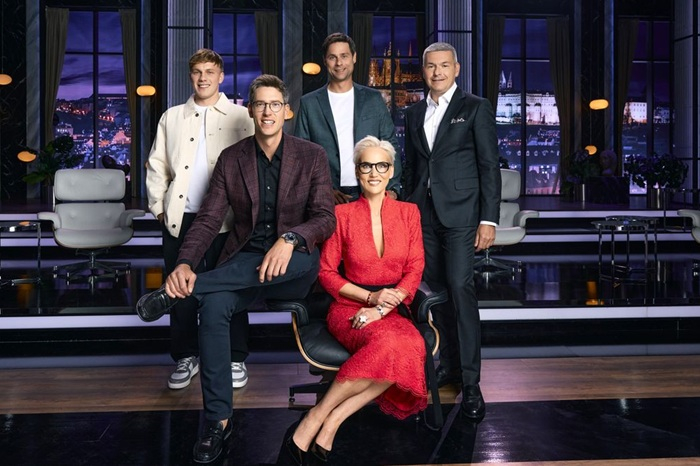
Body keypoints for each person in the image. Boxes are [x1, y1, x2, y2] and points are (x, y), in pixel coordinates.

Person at [137, 74, 336, 464]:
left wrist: (290, 239)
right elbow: (209, 219)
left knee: (217, 287)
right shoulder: (233, 158)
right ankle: (218, 422)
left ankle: (182, 291)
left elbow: (325, 218)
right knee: (213, 308)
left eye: (275, 104)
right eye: (260, 104)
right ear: (250, 110)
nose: (267, 112)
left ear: (287, 111)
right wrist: (184, 263)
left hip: (295, 263)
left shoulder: (311, 155)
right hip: (246, 261)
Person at [286, 136, 427, 465]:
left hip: (392, 309)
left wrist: (381, 308)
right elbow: (326, 273)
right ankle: (318, 418)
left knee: (409, 345)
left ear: (391, 171)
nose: (374, 172)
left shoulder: (409, 213)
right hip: (349, 308)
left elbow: (415, 268)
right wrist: (370, 298)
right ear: (357, 171)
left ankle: (327, 419)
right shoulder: (341, 214)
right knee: (392, 347)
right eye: (366, 166)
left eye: (381, 165)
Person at [145, 48, 254, 391]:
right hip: (182, 218)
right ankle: (185, 356)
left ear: (221, 76)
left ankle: (235, 357)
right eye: (197, 72)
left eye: (210, 72)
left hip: (229, 221)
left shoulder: (242, 117)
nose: (203, 78)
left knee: (232, 288)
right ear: (190, 76)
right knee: (179, 290)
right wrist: (159, 209)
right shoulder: (172, 117)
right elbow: (157, 166)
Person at [403, 42, 501, 421]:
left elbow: (489, 165)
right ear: (423, 70)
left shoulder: (475, 107)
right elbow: (412, 168)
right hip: (423, 216)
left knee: (461, 289)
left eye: (444, 65)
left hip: (462, 214)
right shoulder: (413, 112)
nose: (438, 72)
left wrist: (488, 219)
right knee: (438, 293)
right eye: (431, 66)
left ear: (456, 68)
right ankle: (449, 366)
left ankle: (472, 383)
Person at [295, 32, 402, 203]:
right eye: (332, 57)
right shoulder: (309, 103)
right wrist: (323, 190)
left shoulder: (373, 99)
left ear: (354, 57)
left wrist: (393, 189)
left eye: (344, 56)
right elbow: (302, 155)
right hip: (327, 197)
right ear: (325, 61)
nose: (339, 63)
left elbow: (390, 145)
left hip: (371, 192)